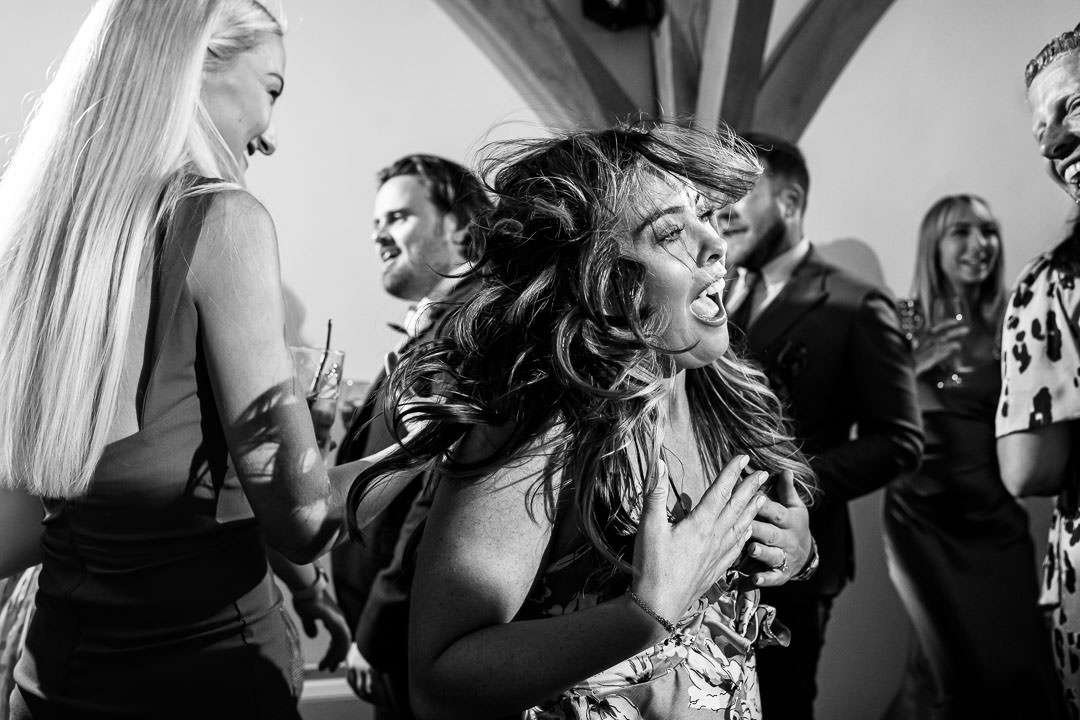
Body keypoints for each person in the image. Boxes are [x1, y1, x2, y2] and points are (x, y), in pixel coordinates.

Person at [349, 122, 818, 720]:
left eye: (705, 213)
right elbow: (441, 682)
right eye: (672, 232)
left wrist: (796, 552)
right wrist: (643, 614)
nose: (716, 241)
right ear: (599, 276)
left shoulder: (719, 390)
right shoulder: (547, 420)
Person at [0, 1, 384, 716]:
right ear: (200, 60)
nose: (270, 134)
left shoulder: (34, 245)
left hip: (51, 682)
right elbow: (301, 523)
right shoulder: (222, 220)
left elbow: (33, 516)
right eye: (271, 89)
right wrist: (426, 451)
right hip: (206, 679)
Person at [719, 133, 923, 719]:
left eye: (741, 191)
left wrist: (790, 484)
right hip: (702, 551)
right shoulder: (713, 296)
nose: (723, 208)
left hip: (793, 555)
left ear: (787, 202)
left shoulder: (855, 304)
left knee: (781, 705)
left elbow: (900, 441)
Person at [882, 195, 1061, 719]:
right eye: (961, 232)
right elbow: (874, 425)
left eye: (989, 231)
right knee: (952, 675)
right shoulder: (903, 317)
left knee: (1020, 666)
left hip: (995, 522)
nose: (979, 244)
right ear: (934, 245)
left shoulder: (1014, 317)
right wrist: (910, 369)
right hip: (923, 522)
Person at [331, 154, 491, 718]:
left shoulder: (471, 327)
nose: (378, 236)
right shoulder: (434, 323)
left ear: (462, 229)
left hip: (410, 634)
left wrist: (377, 628)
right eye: (376, 223)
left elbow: (440, 491)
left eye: (397, 217)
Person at [997, 25, 1080, 715]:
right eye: (1041, 130)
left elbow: (1029, 468)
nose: (1052, 144)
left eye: (1072, 108)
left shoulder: (1053, 285)